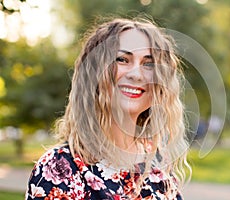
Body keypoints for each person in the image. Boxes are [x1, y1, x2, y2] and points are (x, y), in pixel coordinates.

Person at [25, 17, 191, 200]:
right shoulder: (59, 168)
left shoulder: (158, 164)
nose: (136, 74)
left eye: (148, 64)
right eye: (122, 59)